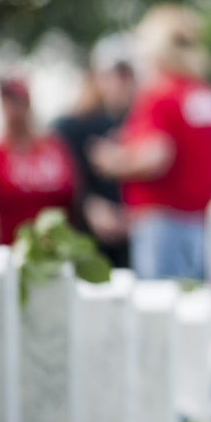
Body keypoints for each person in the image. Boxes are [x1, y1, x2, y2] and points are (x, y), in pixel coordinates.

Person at [91, 4, 211, 280]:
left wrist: (114, 161)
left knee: (159, 312)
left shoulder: (160, 94)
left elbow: (157, 156)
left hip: (162, 225)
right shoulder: (209, 96)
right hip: (203, 223)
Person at [53, 35, 137, 268]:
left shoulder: (143, 123)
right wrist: (89, 206)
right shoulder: (70, 126)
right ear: (95, 76)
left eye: (126, 74)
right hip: (85, 241)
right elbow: (64, 180)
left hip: (133, 239)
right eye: (114, 73)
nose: (120, 81)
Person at [0, 77, 78, 245]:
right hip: (11, 253)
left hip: (59, 252)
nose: (14, 109)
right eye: (8, 102)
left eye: (19, 101)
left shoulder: (55, 149)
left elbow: (75, 197)